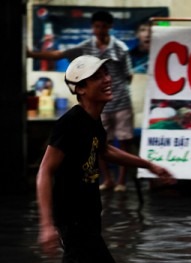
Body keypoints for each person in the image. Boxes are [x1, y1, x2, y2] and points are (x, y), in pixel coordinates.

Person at [36, 55, 176, 263]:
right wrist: (47, 225)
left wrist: (148, 165)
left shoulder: (92, 122)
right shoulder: (70, 124)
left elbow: (106, 152)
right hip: (73, 221)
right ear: (81, 88)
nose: (108, 79)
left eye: (106, 73)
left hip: (87, 219)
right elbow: (45, 172)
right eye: (98, 76)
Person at [28, 10, 135, 192]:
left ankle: (122, 181)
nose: (100, 30)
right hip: (102, 107)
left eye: (103, 26)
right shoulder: (85, 47)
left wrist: (114, 90)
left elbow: (128, 75)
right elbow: (57, 54)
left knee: (125, 141)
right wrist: (31, 54)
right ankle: (108, 179)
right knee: (100, 144)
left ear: (110, 27)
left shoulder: (121, 48)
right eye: (96, 26)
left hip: (121, 103)